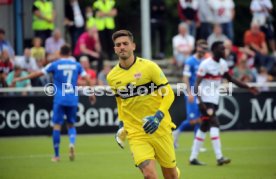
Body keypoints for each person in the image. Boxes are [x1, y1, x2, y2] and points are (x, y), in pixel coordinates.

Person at [107, 30, 180, 179]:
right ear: (115, 49)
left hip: (160, 128)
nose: (122, 47)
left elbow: (169, 93)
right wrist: (122, 125)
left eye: (125, 44)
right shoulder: (112, 77)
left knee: (171, 175)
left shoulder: (149, 67)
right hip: (136, 133)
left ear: (133, 46)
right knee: (149, 175)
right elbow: (120, 102)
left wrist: (158, 117)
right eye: (118, 45)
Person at [13, 44, 96, 162]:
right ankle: (71, 143)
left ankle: (57, 155)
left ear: (60, 53)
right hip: (73, 98)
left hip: (60, 99)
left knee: (57, 126)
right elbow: (87, 78)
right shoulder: (76, 65)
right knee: (71, 125)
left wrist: (20, 79)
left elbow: (37, 73)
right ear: (70, 53)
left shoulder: (55, 64)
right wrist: (91, 93)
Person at [189, 41, 259, 166]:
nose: (224, 51)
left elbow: (231, 79)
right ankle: (219, 157)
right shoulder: (205, 64)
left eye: (224, 49)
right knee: (214, 123)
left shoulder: (223, 64)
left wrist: (248, 87)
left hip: (214, 99)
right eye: (222, 49)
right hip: (205, 100)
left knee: (204, 126)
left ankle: (193, 158)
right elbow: (196, 84)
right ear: (214, 50)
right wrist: (199, 102)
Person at [173, 40, 208, 149]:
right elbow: (185, 78)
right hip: (192, 92)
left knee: (200, 118)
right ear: (197, 47)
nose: (203, 50)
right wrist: (189, 93)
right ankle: (175, 133)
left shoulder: (205, 61)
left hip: (201, 93)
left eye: (205, 48)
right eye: (202, 48)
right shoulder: (190, 61)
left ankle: (197, 144)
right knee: (192, 120)